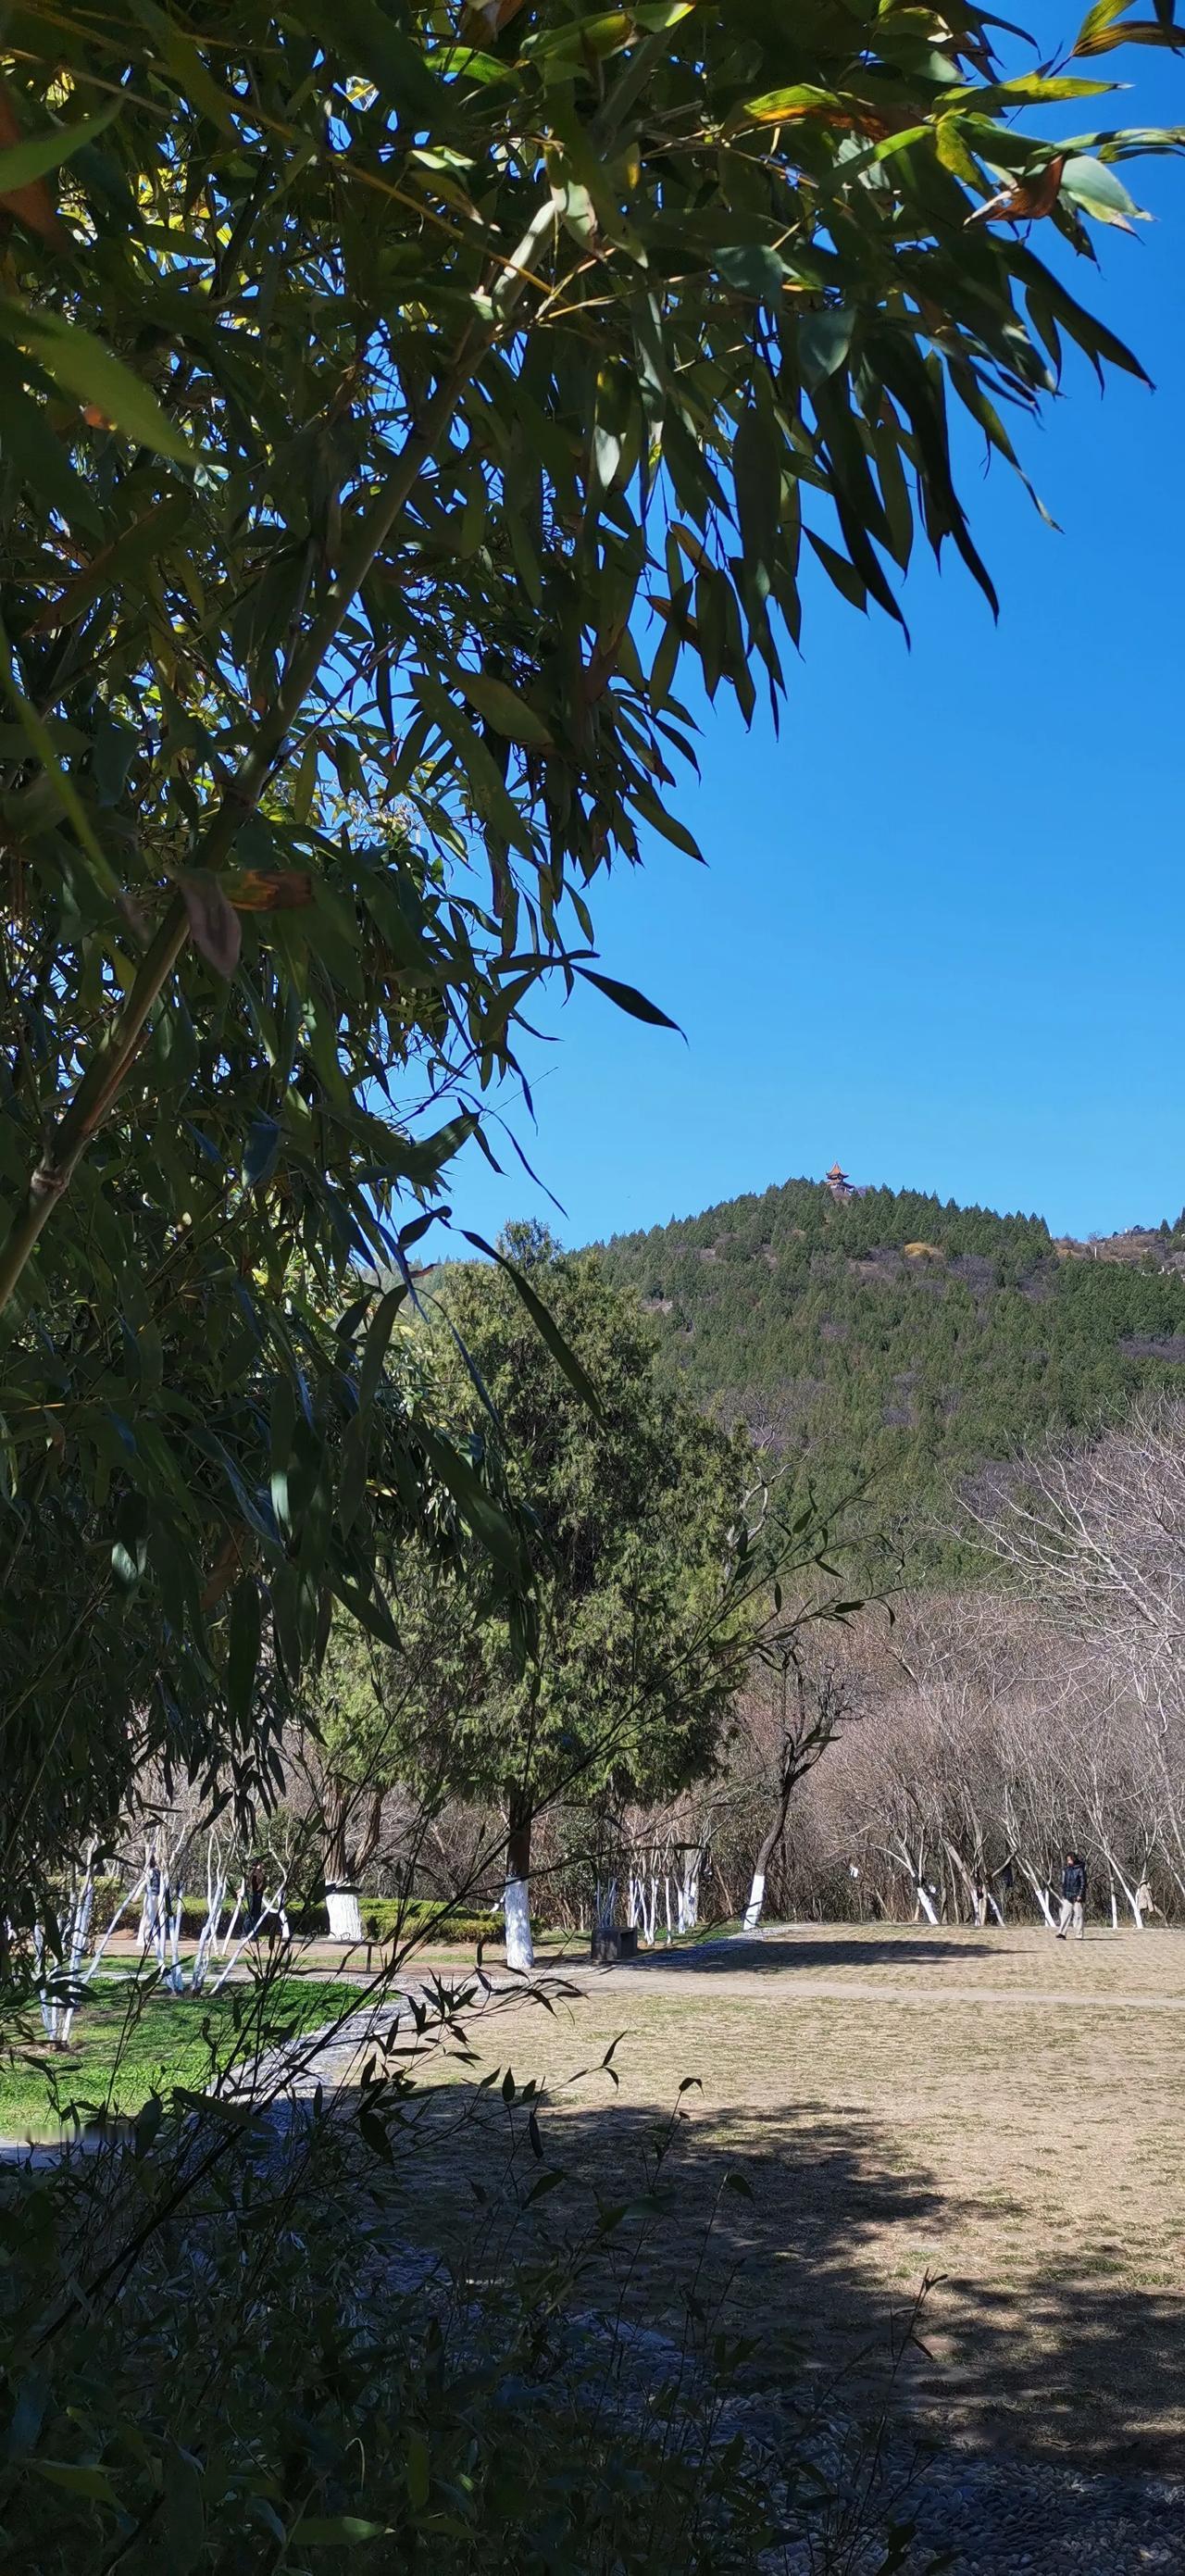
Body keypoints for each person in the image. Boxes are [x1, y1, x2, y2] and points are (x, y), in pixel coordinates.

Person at [1056, 1851, 1086, 1941]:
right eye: (1067, 1860)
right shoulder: (1066, 1870)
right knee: (1065, 1914)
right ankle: (1062, 1933)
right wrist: (1064, 1894)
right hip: (1067, 1895)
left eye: (1069, 1860)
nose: (1068, 1862)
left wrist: (1080, 1894)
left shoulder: (1080, 1869)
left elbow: (1083, 1883)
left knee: (1078, 1915)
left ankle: (1079, 1935)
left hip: (1077, 1896)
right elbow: (1064, 1883)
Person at [246, 1862, 266, 1938]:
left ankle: (254, 1934)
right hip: (253, 1894)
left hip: (259, 1895)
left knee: (257, 1914)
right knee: (251, 1914)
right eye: (261, 1864)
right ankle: (246, 1933)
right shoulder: (253, 1872)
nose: (262, 1866)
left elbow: (263, 1884)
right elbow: (250, 1883)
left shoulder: (261, 1873)